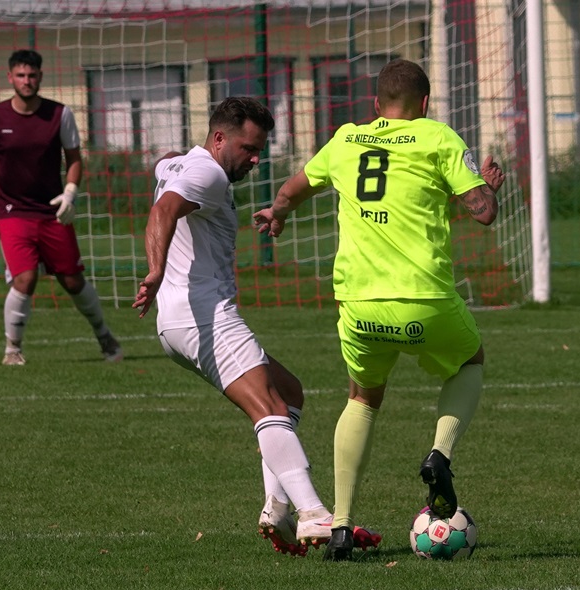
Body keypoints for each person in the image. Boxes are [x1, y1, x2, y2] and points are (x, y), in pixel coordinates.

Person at [253, 58, 505, 561]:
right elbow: (484, 213)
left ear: (376, 104)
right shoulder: (438, 137)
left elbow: (290, 190)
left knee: (363, 398)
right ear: (425, 103)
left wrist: (276, 215)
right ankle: (440, 455)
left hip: (360, 306)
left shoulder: (346, 139)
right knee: (470, 361)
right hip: (425, 301)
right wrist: (485, 188)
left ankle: (341, 527)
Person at [132, 97, 380, 557]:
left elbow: (164, 165)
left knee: (289, 392)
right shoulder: (207, 173)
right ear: (219, 138)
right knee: (269, 407)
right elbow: (163, 211)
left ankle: (277, 507)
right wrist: (155, 270)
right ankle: (313, 512)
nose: (255, 159)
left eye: (259, 149)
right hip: (204, 315)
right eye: (248, 148)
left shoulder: (179, 164)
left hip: (180, 321)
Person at [0, 49, 122, 366]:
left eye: (32, 75)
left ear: (40, 77)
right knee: (24, 279)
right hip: (12, 211)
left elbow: (74, 158)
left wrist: (70, 192)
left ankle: (105, 336)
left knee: (73, 281)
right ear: (10, 78)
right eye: (20, 75)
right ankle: (12, 349)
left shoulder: (59, 114)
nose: (26, 81)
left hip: (52, 212)